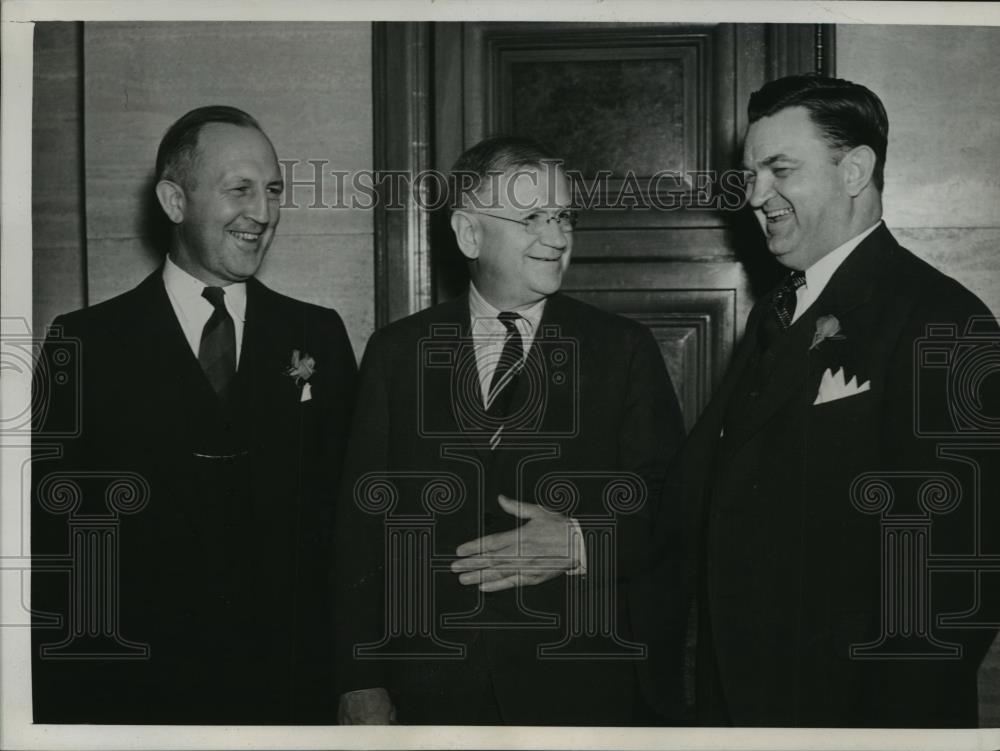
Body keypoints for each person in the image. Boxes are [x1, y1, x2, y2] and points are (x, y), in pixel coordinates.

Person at [682, 75, 1000, 727]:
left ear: (855, 170)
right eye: (752, 173)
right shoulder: (776, 308)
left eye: (780, 170)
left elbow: (950, 588)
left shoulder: (946, 320)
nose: (755, 195)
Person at [333, 136, 685, 725]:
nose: (556, 236)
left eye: (563, 216)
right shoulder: (397, 353)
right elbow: (359, 531)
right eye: (531, 218)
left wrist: (579, 542)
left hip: (578, 689)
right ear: (469, 233)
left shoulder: (622, 350)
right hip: (431, 690)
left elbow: (670, 510)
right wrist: (359, 680)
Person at [31, 105, 357, 724]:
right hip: (136, 698)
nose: (262, 213)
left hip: (291, 695)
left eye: (273, 191)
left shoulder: (319, 333)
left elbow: (350, 526)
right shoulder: (85, 343)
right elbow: (53, 549)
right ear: (174, 201)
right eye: (240, 190)